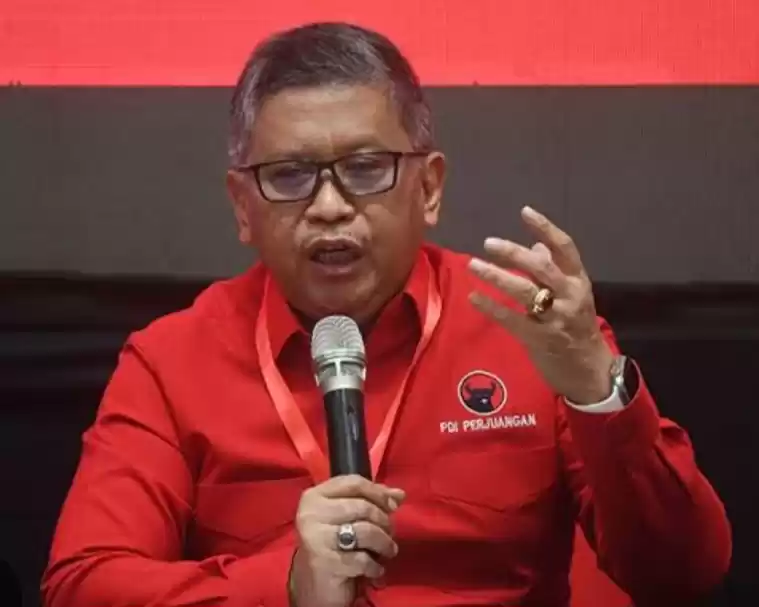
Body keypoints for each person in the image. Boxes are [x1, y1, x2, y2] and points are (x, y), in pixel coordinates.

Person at [42, 22, 731, 607]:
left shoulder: (530, 329)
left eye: (366, 167)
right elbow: (81, 584)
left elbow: (683, 574)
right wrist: (281, 586)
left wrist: (595, 389)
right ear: (242, 207)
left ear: (428, 188)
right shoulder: (172, 360)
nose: (329, 206)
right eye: (289, 176)